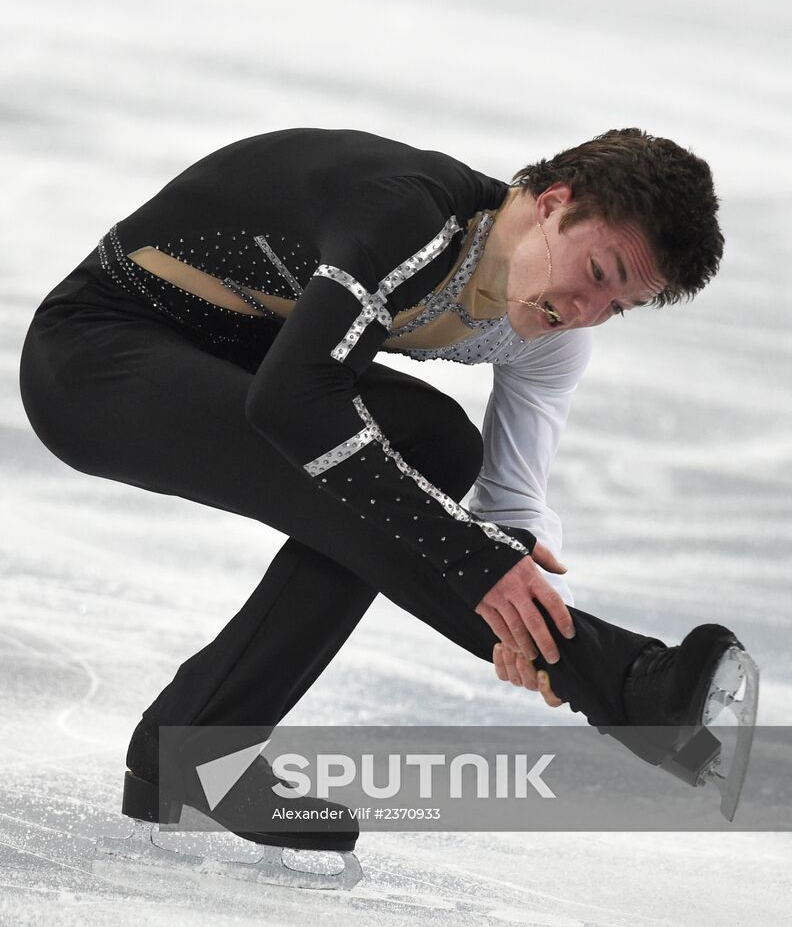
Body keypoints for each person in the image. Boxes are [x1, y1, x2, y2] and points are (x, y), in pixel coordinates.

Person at [18, 127, 752, 863]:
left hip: (239, 361)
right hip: (97, 355)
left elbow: (509, 508)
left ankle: (199, 740)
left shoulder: (552, 329)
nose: (589, 310)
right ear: (553, 204)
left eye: (618, 306)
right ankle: (627, 684)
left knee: (436, 444)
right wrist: (480, 569)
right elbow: (293, 404)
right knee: (374, 474)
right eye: (598, 271)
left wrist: (517, 616)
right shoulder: (410, 218)